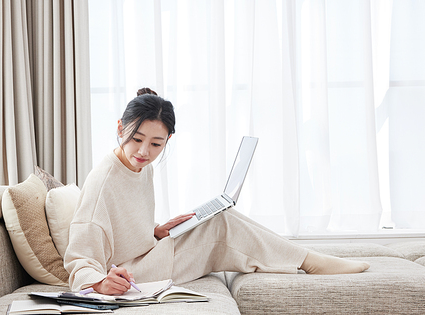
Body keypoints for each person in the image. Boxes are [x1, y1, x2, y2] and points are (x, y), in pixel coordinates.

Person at [64, 88, 370, 295]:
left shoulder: (141, 168)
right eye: (136, 138)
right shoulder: (103, 180)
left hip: (147, 254)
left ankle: (303, 257)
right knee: (221, 224)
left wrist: (155, 231)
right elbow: (80, 256)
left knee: (222, 214)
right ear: (121, 128)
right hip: (134, 275)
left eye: (156, 144)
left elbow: (122, 227)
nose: (144, 151)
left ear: (168, 139)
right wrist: (101, 283)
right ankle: (306, 261)